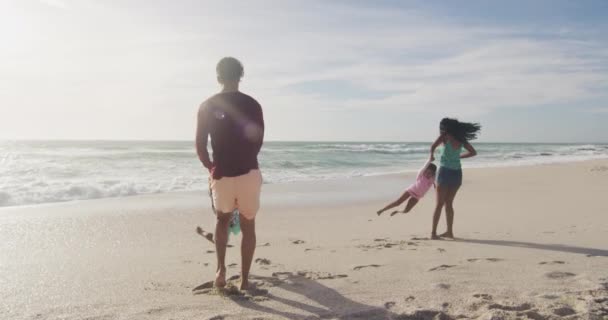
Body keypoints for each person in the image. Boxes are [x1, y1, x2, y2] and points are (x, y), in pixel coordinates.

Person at [195, 57, 264, 290]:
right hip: (248, 172)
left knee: (222, 220)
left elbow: (200, 144)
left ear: (218, 77)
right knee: (248, 225)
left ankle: (221, 271)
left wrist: (211, 167)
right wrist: (245, 159)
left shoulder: (207, 105)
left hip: (222, 174)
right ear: (240, 76)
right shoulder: (253, 104)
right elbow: (257, 139)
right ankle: (245, 280)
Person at [429, 118, 480, 240]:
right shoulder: (461, 139)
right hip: (457, 173)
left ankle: (433, 234)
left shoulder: (444, 137)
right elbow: (473, 152)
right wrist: (459, 157)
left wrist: (431, 156)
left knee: (439, 204)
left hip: (445, 172)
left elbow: (433, 146)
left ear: (446, 128)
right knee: (449, 204)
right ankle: (449, 232)